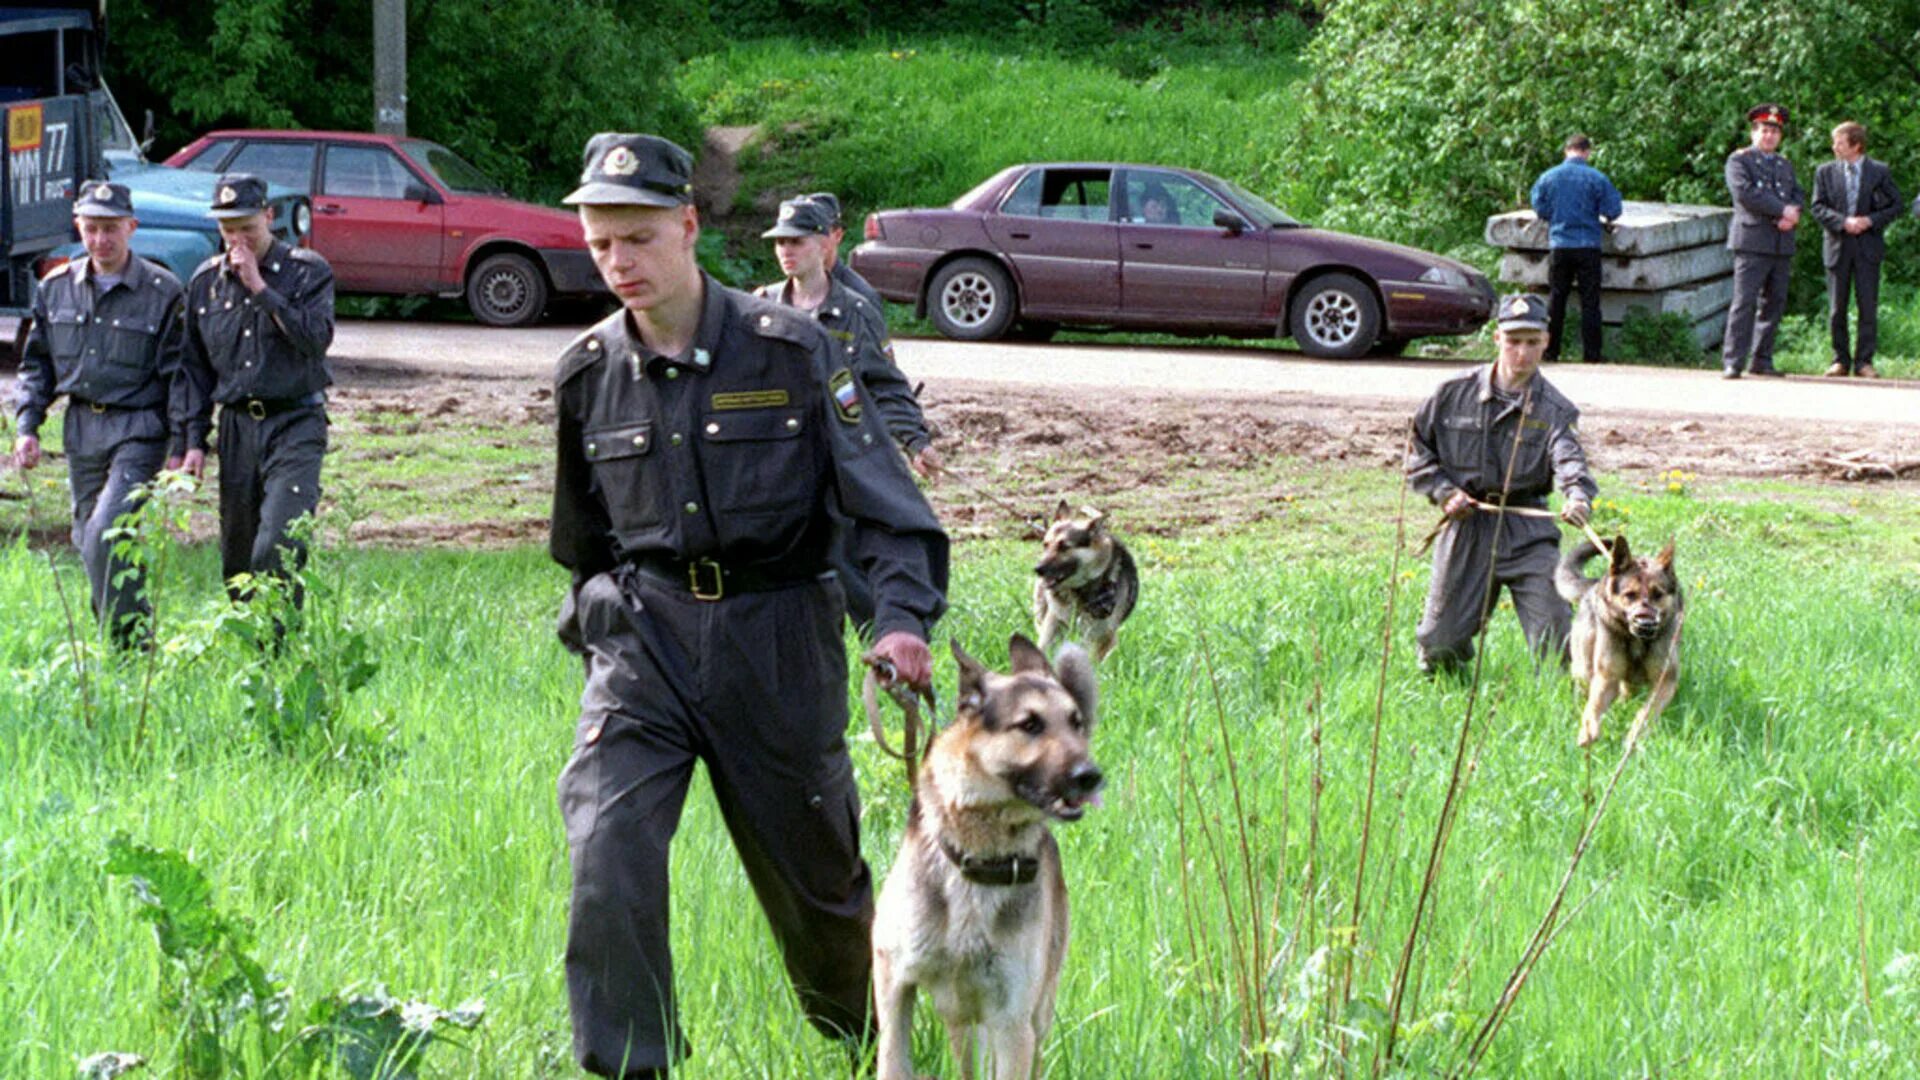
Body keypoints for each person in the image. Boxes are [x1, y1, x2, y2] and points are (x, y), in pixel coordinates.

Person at [550, 133, 949, 1078]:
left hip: (777, 641)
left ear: (688, 227)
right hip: (643, 643)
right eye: (601, 244)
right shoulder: (585, 372)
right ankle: (630, 1064)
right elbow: (582, 539)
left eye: (639, 238)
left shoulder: (794, 351)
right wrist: (602, 621)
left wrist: (899, 620)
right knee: (606, 851)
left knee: (819, 897)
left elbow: (890, 509)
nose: (619, 263)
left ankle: (866, 1047)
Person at [10, 181, 188, 646]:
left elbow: (179, 376)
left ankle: (129, 645)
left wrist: (184, 444)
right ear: (78, 227)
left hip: (141, 428)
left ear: (132, 227)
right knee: (89, 539)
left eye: (111, 229)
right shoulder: (55, 289)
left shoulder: (162, 290)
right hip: (82, 427)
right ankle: (126, 641)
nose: (100, 240)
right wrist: (27, 427)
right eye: (91, 229)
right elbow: (38, 365)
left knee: (107, 532)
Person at [756, 194, 940, 633]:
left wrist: (914, 440)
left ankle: (886, 638)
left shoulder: (855, 308)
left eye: (797, 241)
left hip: (839, 453)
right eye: (779, 241)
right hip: (777, 457)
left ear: (825, 243)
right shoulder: (761, 306)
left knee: (847, 554)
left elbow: (884, 382)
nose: (785, 250)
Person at [1406, 293, 1596, 675]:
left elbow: (1569, 459)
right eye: (1513, 341)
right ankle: (1452, 696)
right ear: (1497, 339)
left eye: (1531, 342)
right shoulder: (1451, 394)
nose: (1521, 353)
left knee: (1556, 646)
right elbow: (1416, 452)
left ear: (1545, 341)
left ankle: (1563, 709)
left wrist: (1577, 496)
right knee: (1439, 642)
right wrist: (1445, 493)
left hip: (1529, 530)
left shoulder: (1556, 410)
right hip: (1467, 524)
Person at [179, 174, 336, 604]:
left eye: (247, 227)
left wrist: (260, 289)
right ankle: (255, 653)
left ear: (269, 217)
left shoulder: (307, 271)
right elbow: (193, 370)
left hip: (295, 421)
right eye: (228, 230)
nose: (237, 239)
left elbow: (315, 339)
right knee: (239, 559)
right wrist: (192, 440)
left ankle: (280, 651)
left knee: (279, 543)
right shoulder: (205, 282)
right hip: (236, 428)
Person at [1809, 122, 1903, 379]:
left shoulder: (1878, 171)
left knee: (1867, 305)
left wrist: (1870, 220)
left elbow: (1896, 205)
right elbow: (1817, 207)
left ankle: (1864, 361)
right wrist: (1843, 222)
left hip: (1867, 247)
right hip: (1838, 245)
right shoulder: (1824, 172)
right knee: (1837, 307)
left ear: (1856, 145)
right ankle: (1840, 360)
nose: (1833, 147)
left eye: (1839, 142)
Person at [1721, 103, 1803, 379]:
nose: (1769, 136)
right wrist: (1781, 210)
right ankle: (1733, 361)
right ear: (1754, 132)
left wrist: (1793, 214)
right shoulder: (1739, 161)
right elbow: (1745, 194)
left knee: (1774, 302)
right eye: (1764, 130)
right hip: (1752, 240)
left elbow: (1797, 194)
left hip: (1781, 241)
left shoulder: (1784, 164)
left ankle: (1762, 358)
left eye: (1774, 132)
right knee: (1744, 302)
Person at [1529, 134, 1623, 364]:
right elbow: (1613, 209)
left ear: (1566, 151)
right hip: (1588, 245)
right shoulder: (1597, 178)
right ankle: (1591, 355)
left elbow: (1539, 207)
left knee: (1557, 299)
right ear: (1587, 152)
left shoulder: (1548, 177)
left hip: (1559, 244)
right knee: (1590, 302)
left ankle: (1551, 352)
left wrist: (1555, 215)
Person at [802, 191, 885, 311]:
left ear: (838, 235)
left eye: (818, 233)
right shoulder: (781, 295)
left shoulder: (861, 298)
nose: (810, 242)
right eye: (801, 237)